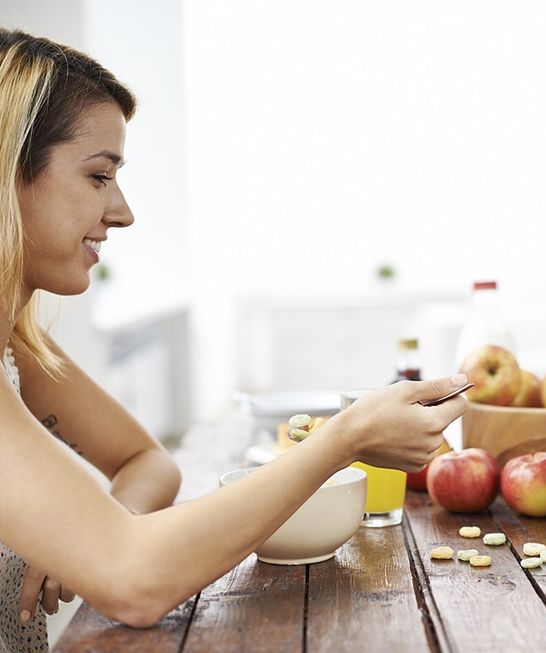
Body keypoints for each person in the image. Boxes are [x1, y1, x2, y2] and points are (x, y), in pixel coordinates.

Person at [0, 28, 468, 650]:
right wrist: (345, 436)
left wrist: (85, 537)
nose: (123, 211)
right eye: (97, 176)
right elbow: (133, 584)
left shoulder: (19, 349)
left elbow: (148, 465)